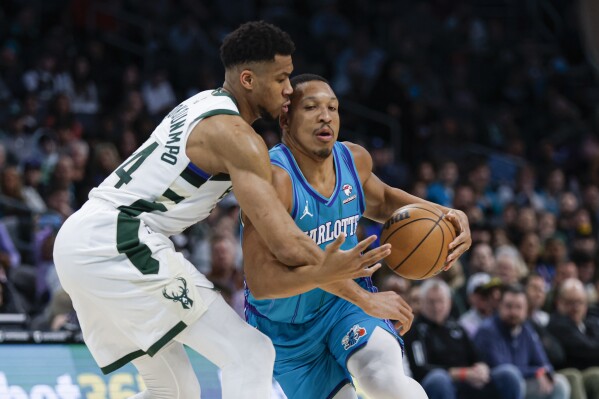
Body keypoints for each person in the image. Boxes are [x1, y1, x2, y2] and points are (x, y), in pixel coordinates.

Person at [53, 22, 388, 399]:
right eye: (281, 78)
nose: (289, 89)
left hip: (83, 239)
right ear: (248, 79)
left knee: (172, 391)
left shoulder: (202, 102)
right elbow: (286, 243)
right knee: (250, 353)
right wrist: (363, 296)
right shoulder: (237, 137)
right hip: (120, 239)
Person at [242, 74, 472, 399]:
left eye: (333, 108)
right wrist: (365, 297)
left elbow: (385, 201)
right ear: (285, 118)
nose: (326, 116)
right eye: (311, 107)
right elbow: (261, 280)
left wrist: (447, 215)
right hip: (285, 331)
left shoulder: (352, 159)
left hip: (343, 305)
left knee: (384, 381)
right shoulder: (272, 180)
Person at [404, 278, 523, 399]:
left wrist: (482, 368)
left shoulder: (457, 327)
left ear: (449, 302)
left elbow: (477, 357)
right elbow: (420, 370)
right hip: (441, 384)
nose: (436, 306)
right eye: (431, 302)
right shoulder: (415, 331)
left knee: (509, 374)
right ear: (422, 303)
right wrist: (461, 374)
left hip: (469, 382)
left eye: (440, 301)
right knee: (438, 379)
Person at [474, 285, 570, 399]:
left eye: (518, 307)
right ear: (500, 306)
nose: (513, 312)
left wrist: (544, 372)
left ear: (526, 310)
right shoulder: (487, 330)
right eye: (509, 306)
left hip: (523, 383)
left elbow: (543, 363)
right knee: (511, 377)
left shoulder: (526, 329)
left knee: (559, 384)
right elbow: (502, 368)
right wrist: (535, 372)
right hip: (494, 388)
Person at [547, 278, 599, 399]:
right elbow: (586, 349)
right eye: (570, 302)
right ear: (558, 302)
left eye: (579, 302)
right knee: (577, 376)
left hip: (586, 373)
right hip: (564, 373)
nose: (575, 307)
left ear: (586, 305)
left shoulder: (590, 323)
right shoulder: (556, 324)